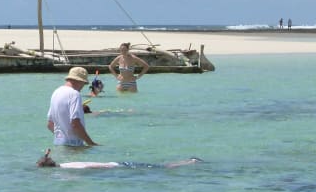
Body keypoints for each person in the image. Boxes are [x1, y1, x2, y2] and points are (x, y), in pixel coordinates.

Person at [47, 67, 98, 146]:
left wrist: (62, 137)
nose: (83, 87)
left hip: (58, 143)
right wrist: (91, 143)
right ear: (79, 81)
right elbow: (75, 124)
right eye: (84, 83)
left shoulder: (56, 92)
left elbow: (50, 124)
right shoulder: (74, 94)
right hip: (74, 145)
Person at [37, 149, 201, 169]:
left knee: (160, 167)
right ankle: (189, 161)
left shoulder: (68, 167)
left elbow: (87, 166)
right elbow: (87, 165)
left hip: (116, 166)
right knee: (158, 167)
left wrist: (106, 169)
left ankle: (189, 162)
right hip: (116, 165)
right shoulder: (66, 165)